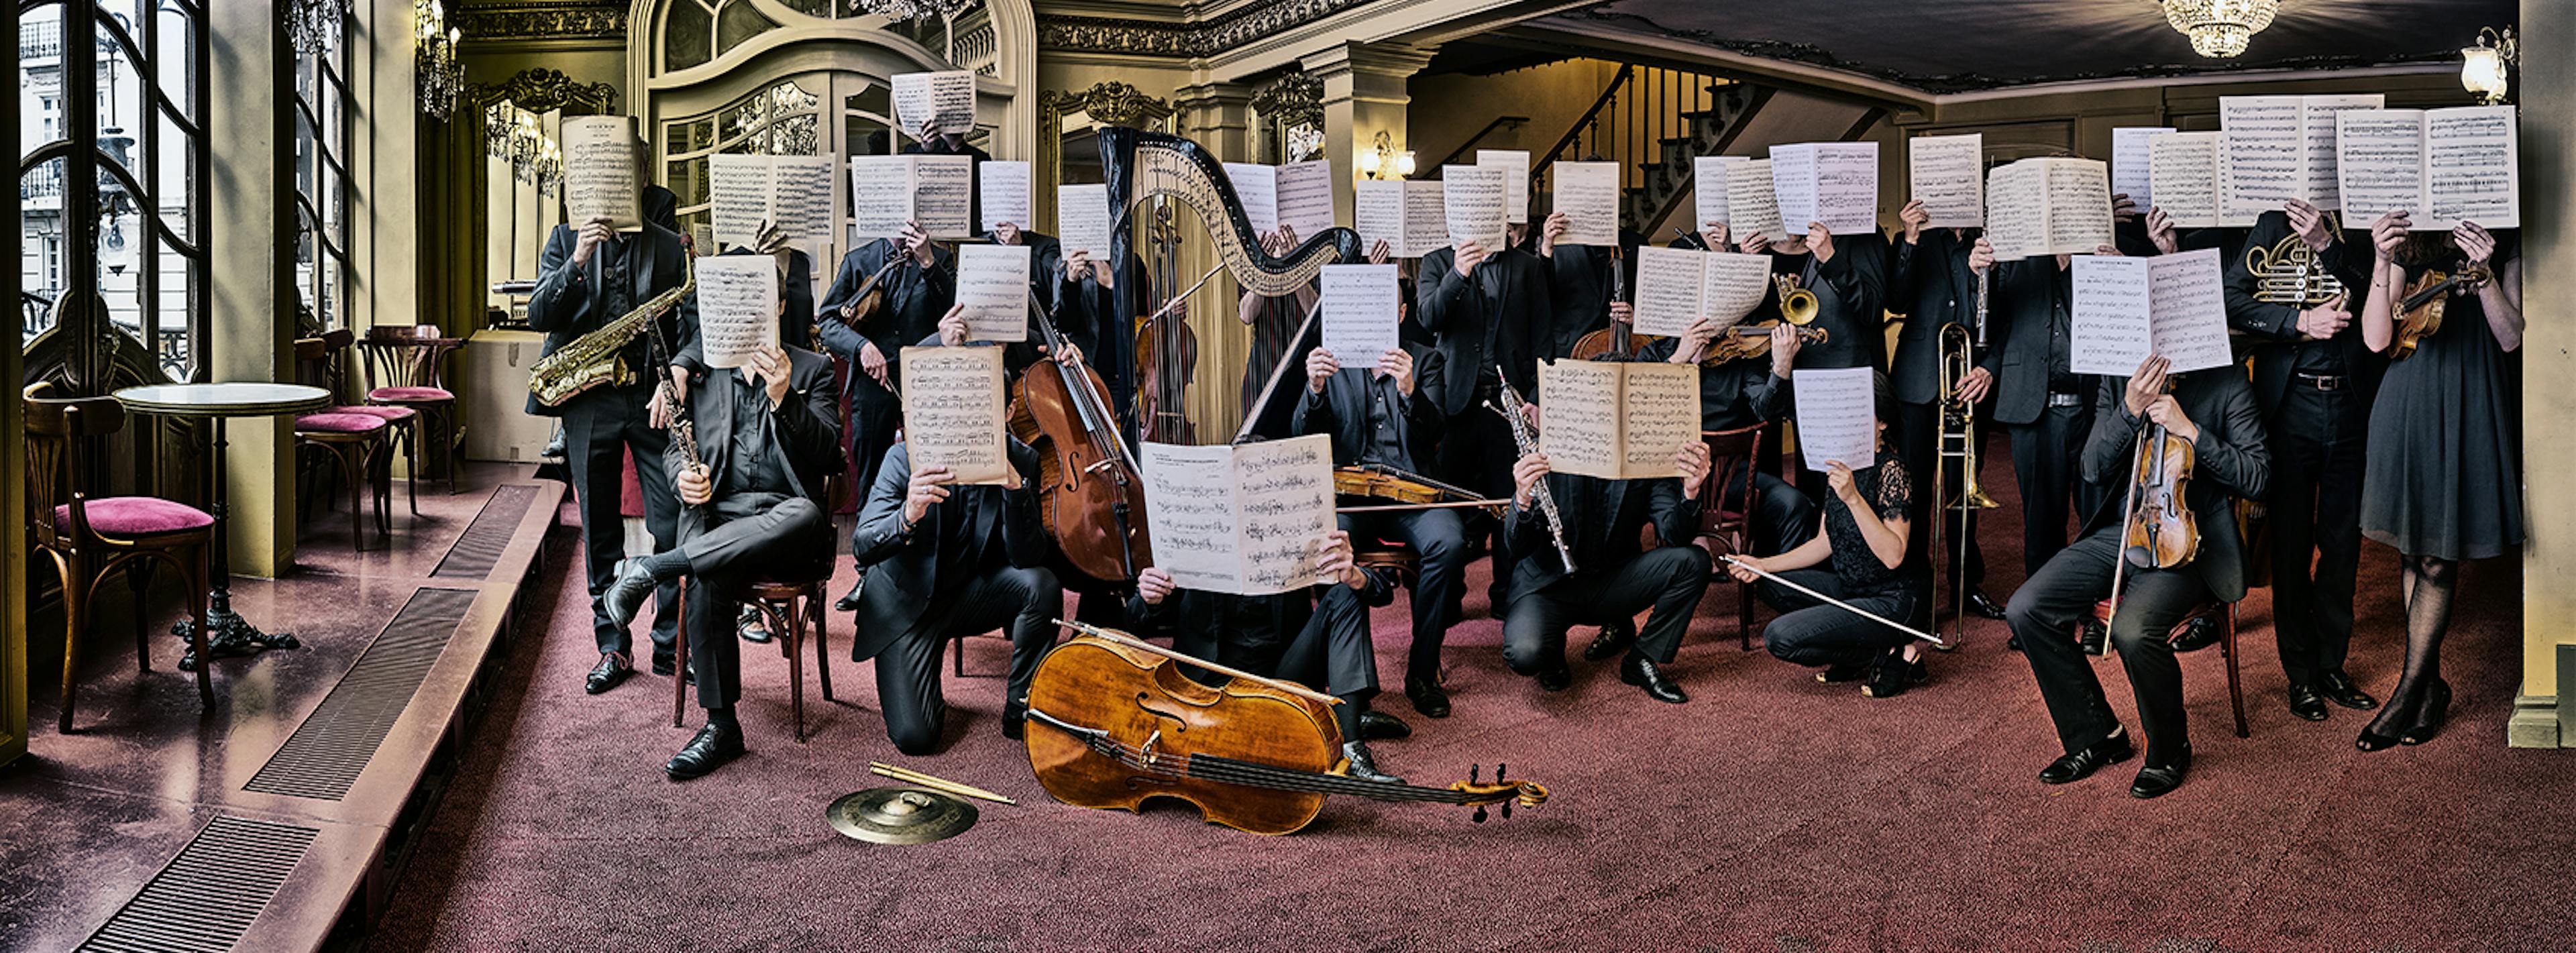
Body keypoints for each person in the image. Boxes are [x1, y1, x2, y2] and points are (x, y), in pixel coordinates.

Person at [2002, 354, 2268, 799]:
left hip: (2191, 541)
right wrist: (2129, 409)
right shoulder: (2120, 377)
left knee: (2133, 629)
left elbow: (2258, 477)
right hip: (2124, 530)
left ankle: (2169, 748)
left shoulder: (2228, 377)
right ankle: (2097, 735)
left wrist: (2192, 432)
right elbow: (2092, 468)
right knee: (2026, 607)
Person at [600, 319, 841, 778]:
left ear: (780, 306)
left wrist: (785, 395)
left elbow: (831, 455)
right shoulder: (704, 372)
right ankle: (721, 724)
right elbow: (676, 448)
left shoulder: (814, 369)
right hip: (721, 522)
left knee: (806, 513)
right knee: (709, 573)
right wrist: (681, 478)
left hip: (787, 529)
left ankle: (652, 568)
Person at [2353, 213, 2522, 750]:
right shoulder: (2408, 238)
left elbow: (2512, 336)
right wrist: (2382, 259)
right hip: (2408, 400)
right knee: (2412, 551)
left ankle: (2410, 691)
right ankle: (2429, 688)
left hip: (2470, 395)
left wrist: (2487, 272)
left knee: (2435, 556)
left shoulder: (2505, 232)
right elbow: (2377, 339)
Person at [527, 182, 695, 695]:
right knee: (599, 530)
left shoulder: (668, 245)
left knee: (672, 526)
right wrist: (578, 259)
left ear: (640, 177)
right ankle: (613, 647)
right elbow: (539, 315)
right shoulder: (564, 238)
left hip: (651, 397)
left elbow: (693, 321)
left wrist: (683, 368)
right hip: (589, 400)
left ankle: (670, 646)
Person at [2223, 199, 2383, 722]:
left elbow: (2374, 288)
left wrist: (2325, 245)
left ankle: (2331, 663)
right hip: (2289, 404)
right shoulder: (2271, 223)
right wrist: (2298, 322)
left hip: (2352, 404)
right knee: (2291, 544)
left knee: (2342, 543)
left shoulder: (2364, 222)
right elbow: (2231, 299)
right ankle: (2300, 674)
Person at [1127, 529, 1411, 783]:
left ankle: (1350, 745)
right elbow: (1133, 620)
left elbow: (1380, 595)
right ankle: (1340, 716)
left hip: (1285, 676)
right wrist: (1149, 598)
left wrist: (1356, 576)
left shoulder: (1293, 534)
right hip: (1209, 689)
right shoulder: (1190, 540)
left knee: (1346, 595)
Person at [845, 429, 1062, 756]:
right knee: (915, 738)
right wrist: (907, 516)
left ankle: (1021, 710)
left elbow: (1028, 559)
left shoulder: (1022, 459)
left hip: (972, 595)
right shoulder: (903, 458)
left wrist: (1016, 492)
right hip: (908, 605)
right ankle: (920, 687)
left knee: (1041, 585)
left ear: (1008, 411)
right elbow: (863, 545)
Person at [1293, 331, 1464, 719]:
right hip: (1353, 497)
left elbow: (1436, 433)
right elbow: (1306, 437)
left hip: (1413, 496)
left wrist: (1409, 391)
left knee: (1449, 542)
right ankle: (1352, 684)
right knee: (1325, 548)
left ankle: (1422, 674)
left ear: (1400, 312)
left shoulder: (1426, 359)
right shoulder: (1332, 360)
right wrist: (1315, 388)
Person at [1733, 375, 1933, 697]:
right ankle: (1875, 653)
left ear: (1882, 423)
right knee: (1768, 582)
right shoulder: (1842, 469)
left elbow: (1894, 555)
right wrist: (1762, 563)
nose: (1846, 423)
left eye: (1857, 414)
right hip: (1851, 588)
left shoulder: (1893, 470)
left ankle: (1890, 651)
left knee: (1780, 637)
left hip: (1893, 598)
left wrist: (1853, 498)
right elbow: (1823, 543)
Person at [1499, 408, 1714, 703]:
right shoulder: (1546, 452)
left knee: (1694, 562)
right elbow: (1517, 548)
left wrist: (1690, 492)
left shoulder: (1643, 456)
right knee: (1525, 654)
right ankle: (1551, 652)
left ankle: (1641, 659)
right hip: (1548, 587)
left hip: (1613, 582)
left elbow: (1675, 537)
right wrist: (1522, 499)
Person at [818, 220, 952, 610]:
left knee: (931, 472)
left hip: (925, 380)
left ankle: (925, 575)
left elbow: (955, 313)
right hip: (872, 385)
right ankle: (868, 574)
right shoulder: (861, 260)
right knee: (874, 474)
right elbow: (827, 321)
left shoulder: (941, 259)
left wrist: (928, 261)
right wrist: (860, 346)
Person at [1419, 222, 1552, 610]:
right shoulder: (1436, 262)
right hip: (1454, 403)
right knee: (1453, 504)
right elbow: (1429, 319)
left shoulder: (1527, 266)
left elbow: (1544, 338)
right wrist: (1458, 273)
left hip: (1508, 405)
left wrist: (1538, 396)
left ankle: (1507, 594)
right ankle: (1451, 596)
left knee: (1509, 500)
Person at [1886, 197, 2006, 622]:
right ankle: (1912, 586)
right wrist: (1911, 238)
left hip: (1968, 381)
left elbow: (2005, 315)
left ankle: (1964, 584)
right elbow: (1896, 300)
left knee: (1962, 492)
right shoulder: (1920, 236)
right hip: (1919, 380)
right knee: (1912, 490)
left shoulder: (1990, 239)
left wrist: (1989, 366)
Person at [1987, 241, 2121, 585]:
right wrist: (1982, 275)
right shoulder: (2015, 255)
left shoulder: (2109, 253)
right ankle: (2042, 616)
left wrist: (2123, 272)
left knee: (2099, 516)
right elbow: (1992, 323)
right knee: (2041, 521)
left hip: (2096, 409)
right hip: (2032, 407)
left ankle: (2098, 613)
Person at [1237, 225, 1322, 440]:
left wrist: (1295, 267)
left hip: (1302, 367)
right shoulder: (1252, 261)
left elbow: (1316, 316)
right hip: (1263, 367)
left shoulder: (1317, 257)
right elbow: (1246, 315)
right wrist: (1265, 268)